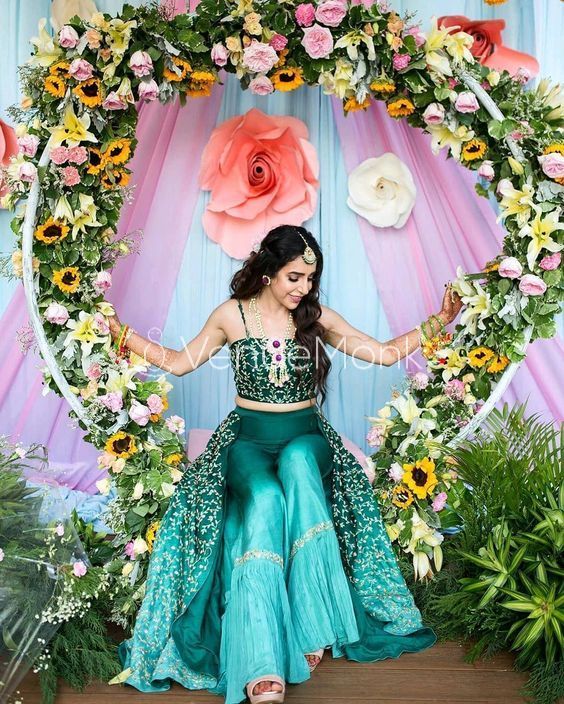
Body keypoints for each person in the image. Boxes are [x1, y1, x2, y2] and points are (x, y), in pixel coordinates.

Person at [107, 224, 463, 704]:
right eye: (294, 277)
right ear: (269, 270)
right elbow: (176, 362)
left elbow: (382, 354)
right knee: (266, 499)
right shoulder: (231, 316)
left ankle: (313, 622)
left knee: (297, 462)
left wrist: (439, 321)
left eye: (310, 280)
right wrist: (121, 335)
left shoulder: (315, 318)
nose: (303, 289)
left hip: (305, 437)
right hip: (247, 442)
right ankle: (261, 664)